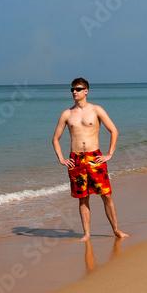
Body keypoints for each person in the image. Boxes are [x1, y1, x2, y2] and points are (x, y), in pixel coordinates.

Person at [52, 77, 129, 241]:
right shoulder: (67, 114)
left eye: (78, 89)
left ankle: (116, 230)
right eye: (72, 89)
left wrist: (109, 154)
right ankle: (86, 234)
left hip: (95, 158)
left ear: (86, 91)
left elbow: (114, 131)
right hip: (76, 160)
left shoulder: (96, 110)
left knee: (106, 195)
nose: (74, 92)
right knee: (83, 198)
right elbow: (55, 139)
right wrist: (62, 159)